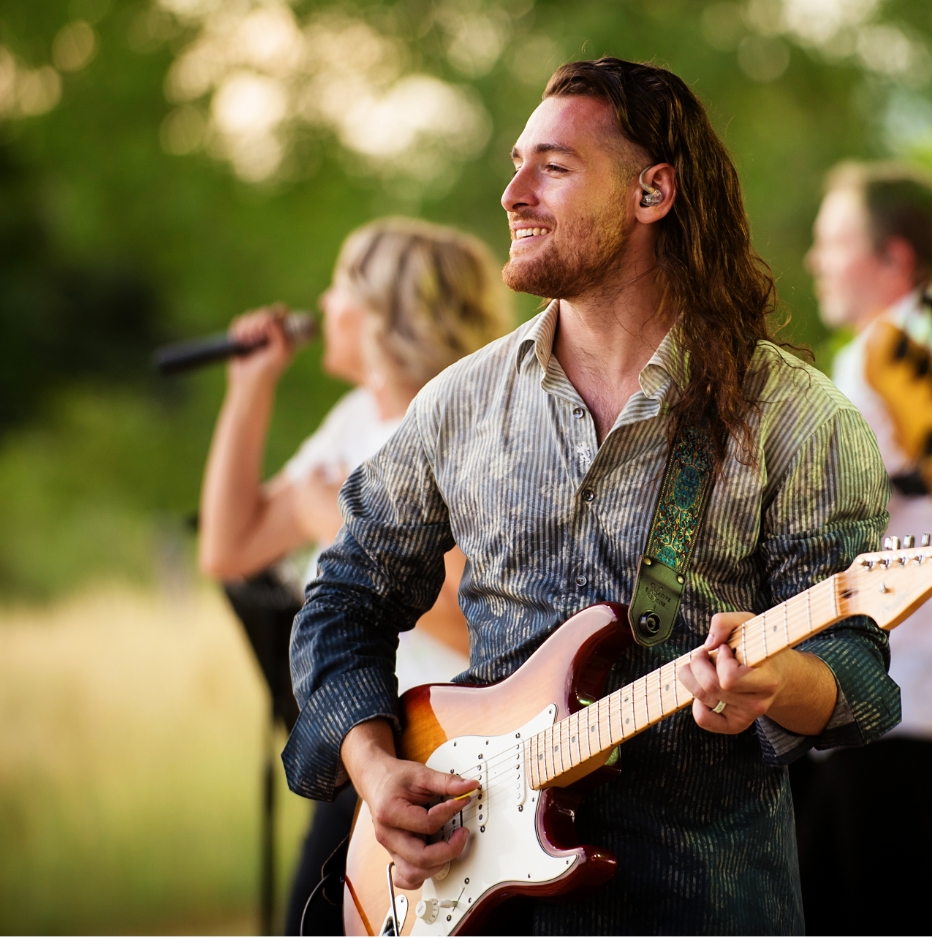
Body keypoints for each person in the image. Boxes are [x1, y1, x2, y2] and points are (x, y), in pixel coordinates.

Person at [283, 58, 901, 935]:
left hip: (708, 907)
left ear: (653, 193)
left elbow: (860, 680)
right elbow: (344, 594)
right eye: (516, 162)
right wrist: (376, 768)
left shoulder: (799, 421)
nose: (513, 194)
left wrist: (775, 681)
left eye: (555, 167)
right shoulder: (459, 404)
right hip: (473, 895)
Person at [198, 217, 511, 934]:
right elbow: (229, 546)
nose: (325, 302)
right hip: (357, 744)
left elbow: (470, 621)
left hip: (438, 749)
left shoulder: (459, 427)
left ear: (383, 314)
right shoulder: (351, 420)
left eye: (341, 285)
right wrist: (250, 387)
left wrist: (333, 526)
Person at [795, 161, 932, 936]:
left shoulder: (884, 348)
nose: (816, 260)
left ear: (894, 261)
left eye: (835, 241)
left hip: (889, 707)